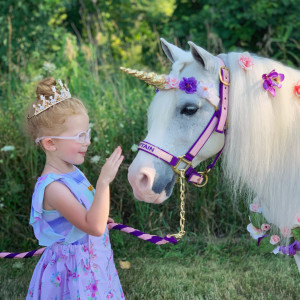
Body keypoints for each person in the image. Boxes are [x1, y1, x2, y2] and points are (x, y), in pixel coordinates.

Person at [26, 77, 125, 299]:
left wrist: (95, 214)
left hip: (93, 263)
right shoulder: (54, 188)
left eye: (87, 133)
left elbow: (89, 220)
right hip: (74, 274)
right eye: (80, 136)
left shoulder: (72, 172)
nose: (87, 142)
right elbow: (94, 227)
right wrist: (103, 183)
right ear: (50, 143)